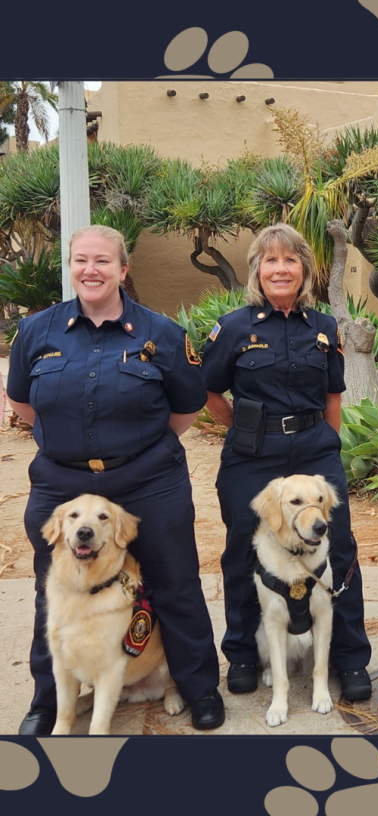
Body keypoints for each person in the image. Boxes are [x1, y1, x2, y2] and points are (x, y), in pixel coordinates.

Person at [7, 225, 224, 734]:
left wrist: (130, 454)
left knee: (175, 583)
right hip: (62, 486)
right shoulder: (38, 331)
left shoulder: (162, 333)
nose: (90, 270)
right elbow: (21, 403)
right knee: (56, 590)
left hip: (148, 482)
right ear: (71, 266)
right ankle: (47, 701)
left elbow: (186, 406)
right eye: (81, 260)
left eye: (103, 261)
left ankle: (198, 687)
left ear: (123, 270)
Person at [201, 223, 372, 701]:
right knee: (243, 549)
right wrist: (243, 425)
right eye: (271, 261)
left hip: (315, 451)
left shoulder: (323, 328)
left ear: (304, 269)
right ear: (258, 269)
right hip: (251, 457)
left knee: (338, 550)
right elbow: (209, 391)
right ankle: (240, 653)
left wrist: (327, 447)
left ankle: (349, 656)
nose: (281, 269)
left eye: (290, 260)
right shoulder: (234, 327)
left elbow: (334, 394)